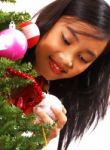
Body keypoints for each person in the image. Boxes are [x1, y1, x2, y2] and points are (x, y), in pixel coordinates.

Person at [22, 0, 110, 149]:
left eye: (83, 59)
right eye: (66, 40)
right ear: (51, 20)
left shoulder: (39, 107)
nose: (67, 60)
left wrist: (32, 144)